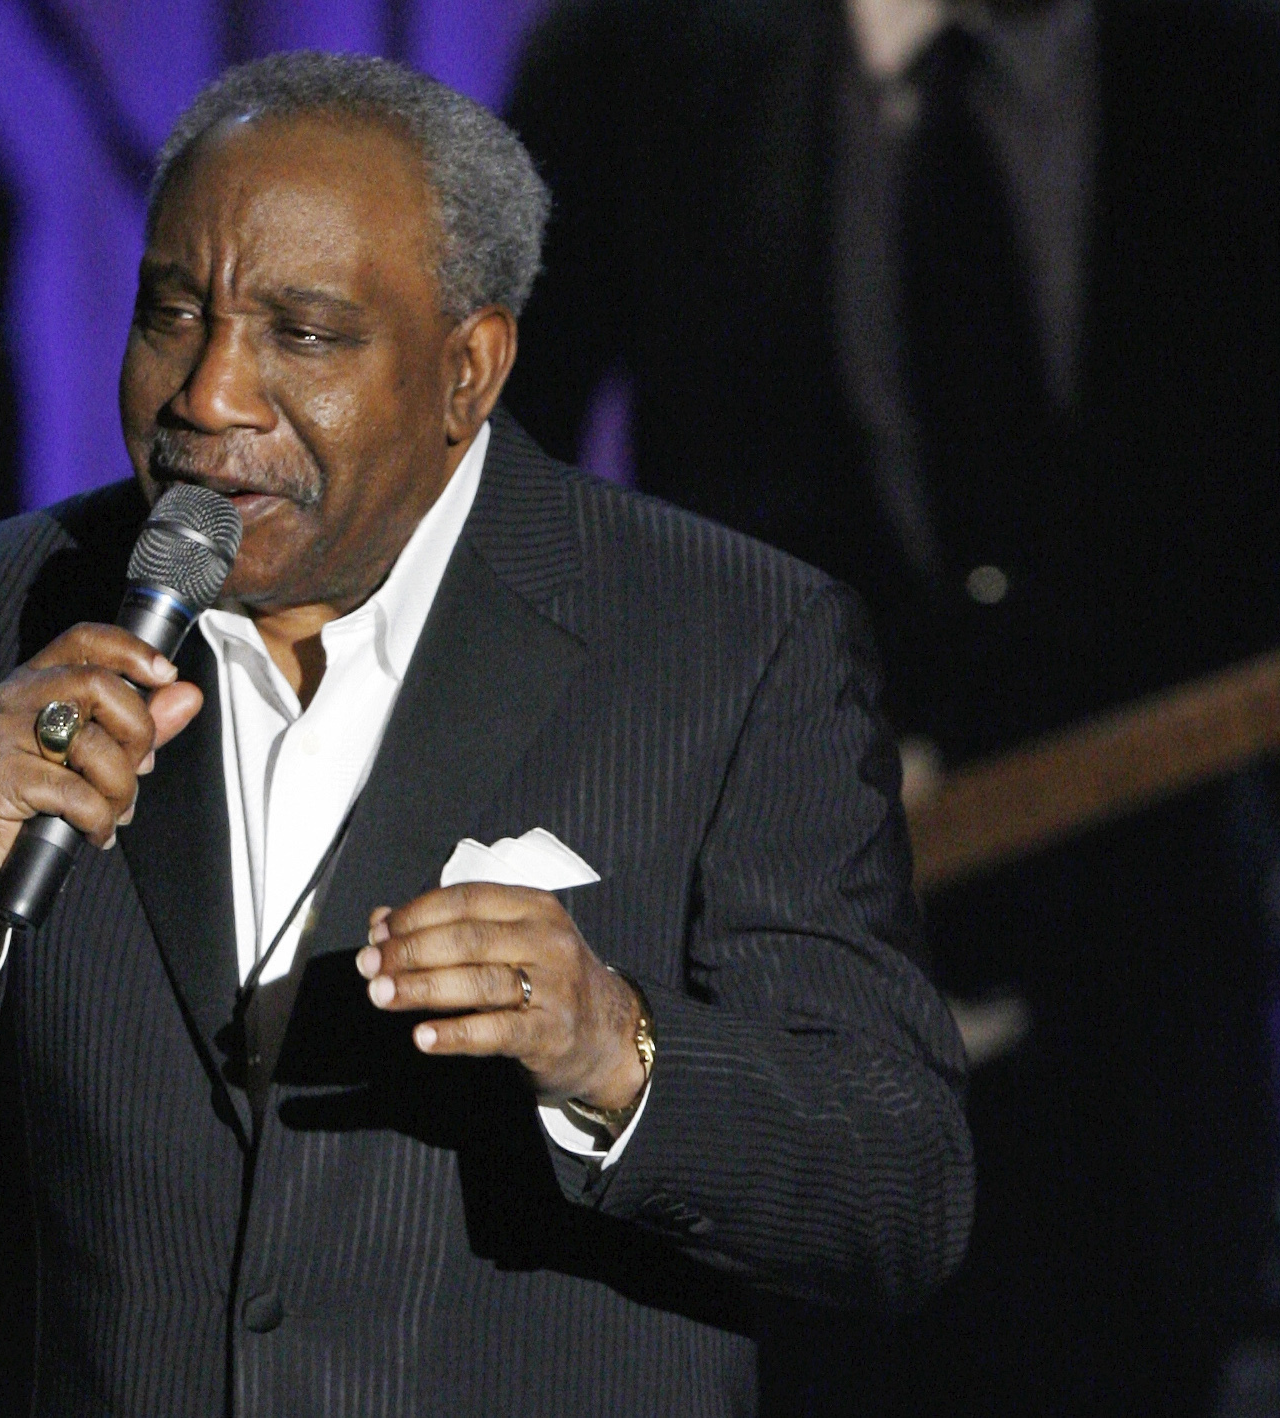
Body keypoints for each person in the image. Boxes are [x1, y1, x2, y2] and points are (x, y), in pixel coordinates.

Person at [0, 53, 971, 1414]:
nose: (208, 394)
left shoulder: (730, 644)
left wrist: (614, 1047)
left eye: (300, 334)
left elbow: (897, 1191)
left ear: (466, 371)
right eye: (172, 314)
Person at [503, 1, 1280, 1411]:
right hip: (791, 1000)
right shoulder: (641, 54)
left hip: (1153, 990)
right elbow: (486, 469)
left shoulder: (1223, 58)